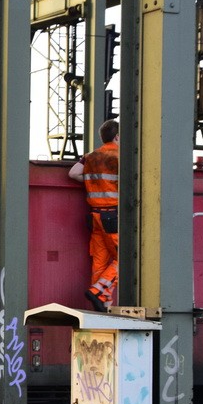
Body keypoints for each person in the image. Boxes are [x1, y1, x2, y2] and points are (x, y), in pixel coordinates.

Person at [68, 119, 119, 311]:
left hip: (95, 217)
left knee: (100, 260)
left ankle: (102, 304)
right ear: (117, 136)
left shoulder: (90, 156)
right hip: (113, 216)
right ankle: (99, 291)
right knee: (128, 258)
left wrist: (91, 180)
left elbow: (73, 173)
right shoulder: (120, 156)